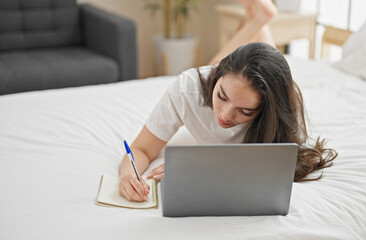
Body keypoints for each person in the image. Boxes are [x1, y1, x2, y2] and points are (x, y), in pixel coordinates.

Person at [119, 0, 337, 202]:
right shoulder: (187, 89)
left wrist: (206, 165)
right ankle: (258, 20)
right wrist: (128, 174)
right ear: (217, 79)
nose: (224, 115)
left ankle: (259, 20)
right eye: (221, 96)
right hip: (212, 79)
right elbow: (141, 150)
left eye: (245, 111)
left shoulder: (280, 113)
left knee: (248, 74)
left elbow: (282, 166)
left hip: (241, 87)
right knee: (222, 72)